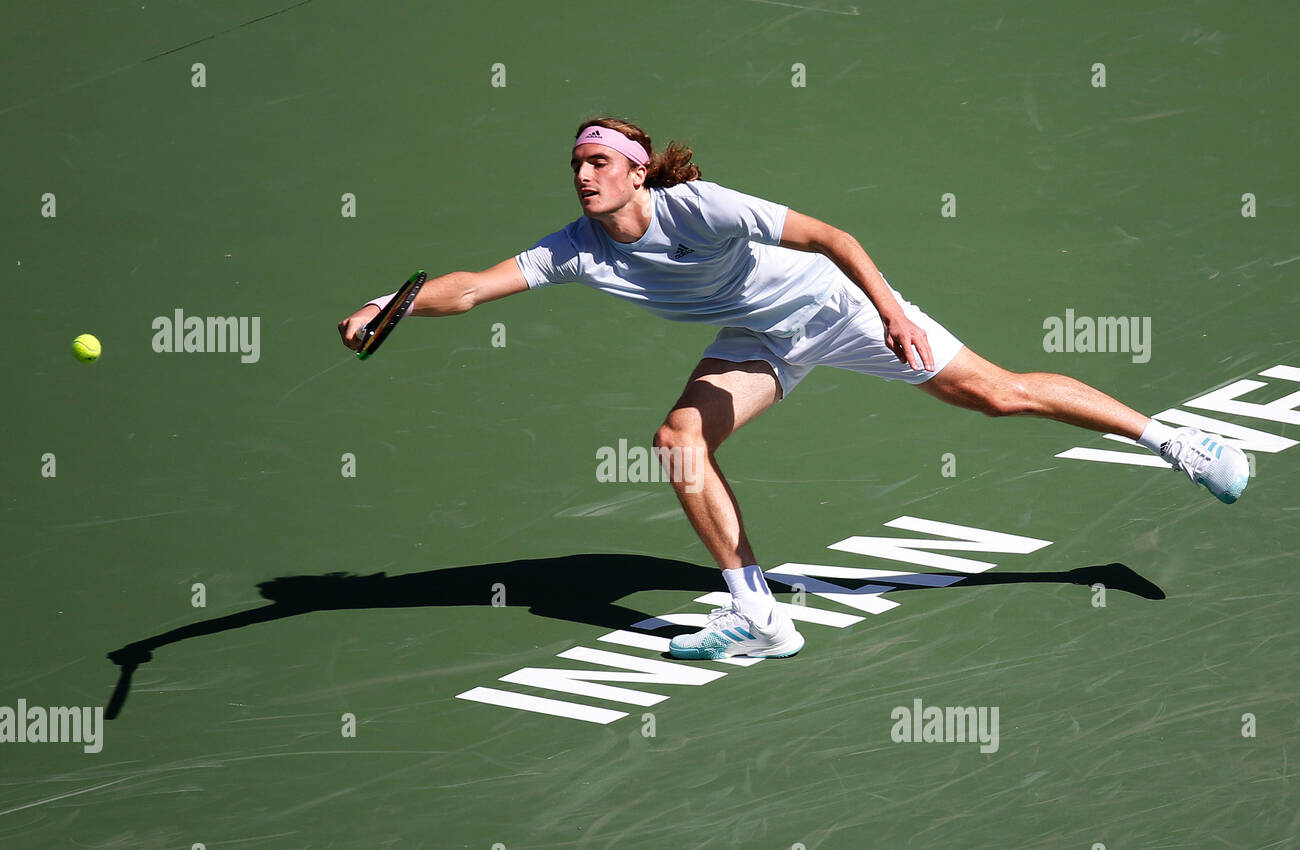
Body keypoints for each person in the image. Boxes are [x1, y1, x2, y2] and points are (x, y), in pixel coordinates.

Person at [338, 116, 1250, 662]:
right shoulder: (574, 248)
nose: (583, 175)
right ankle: (756, 612)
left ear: (636, 169)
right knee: (678, 441)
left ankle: (1180, 443)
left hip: (839, 308)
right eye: (575, 165)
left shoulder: (702, 206)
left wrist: (889, 309)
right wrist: (394, 300)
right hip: (759, 338)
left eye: (598, 162)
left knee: (1000, 395)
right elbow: (471, 287)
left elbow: (831, 235)